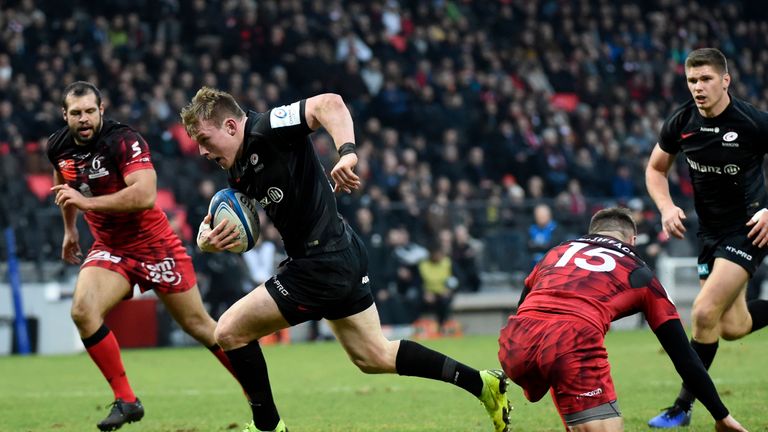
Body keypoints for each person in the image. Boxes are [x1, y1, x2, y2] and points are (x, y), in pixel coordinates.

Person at [181, 87, 511, 432]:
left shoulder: (268, 129)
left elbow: (330, 103)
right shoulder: (236, 169)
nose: (202, 151)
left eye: (205, 139)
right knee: (374, 356)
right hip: (338, 253)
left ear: (232, 126)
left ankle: (267, 427)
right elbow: (250, 229)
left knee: (229, 330)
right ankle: (482, 384)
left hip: (321, 263)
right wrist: (211, 240)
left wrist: (348, 153)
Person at [47, 82, 242, 431]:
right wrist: (70, 229)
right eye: (76, 113)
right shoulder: (57, 146)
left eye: (90, 111)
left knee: (199, 326)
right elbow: (64, 181)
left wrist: (87, 204)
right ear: (65, 116)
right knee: (82, 311)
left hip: (155, 246)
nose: (84, 118)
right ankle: (126, 400)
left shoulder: (123, 141)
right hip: (111, 247)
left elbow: (145, 195)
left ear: (101, 110)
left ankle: (253, 391)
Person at [498, 208, 747, 432]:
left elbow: (524, 307)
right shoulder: (639, 271)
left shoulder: (556, 252)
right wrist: (721, 414)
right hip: (570, 342)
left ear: (592, 233)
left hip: (515, 343)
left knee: (557, 371)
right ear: (633, 240)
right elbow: (683, 355)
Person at [645, 47, 768, 427]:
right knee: (732, 327)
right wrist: (666, 207)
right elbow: (655, 169)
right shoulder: (681, 120)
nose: (698, 87)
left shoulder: (751, 122)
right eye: (692, 80)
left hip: (749, 229)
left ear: (725, 80)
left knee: (701, 313)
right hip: (709, 233)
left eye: (706, 79)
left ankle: (681, 408)